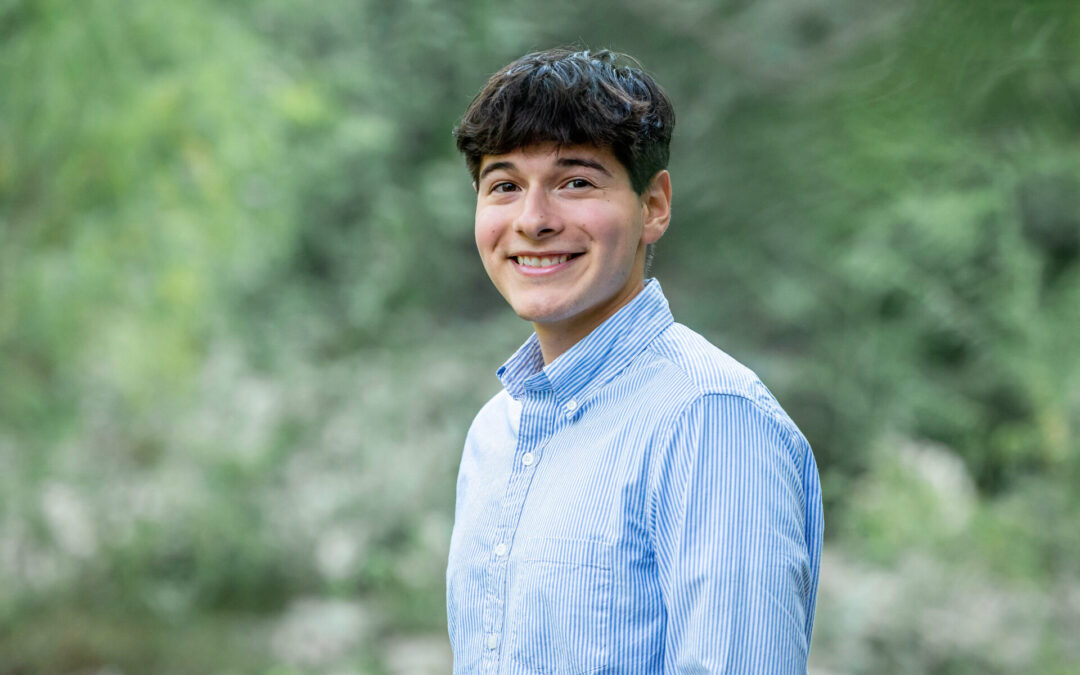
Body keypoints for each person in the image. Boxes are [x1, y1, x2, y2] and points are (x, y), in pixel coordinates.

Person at [446, 47, 823, 674]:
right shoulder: (496, 431)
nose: (534, 220)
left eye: (576, 182)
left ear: (654, 205)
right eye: (505, 185)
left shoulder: (712, 424)